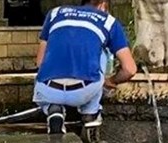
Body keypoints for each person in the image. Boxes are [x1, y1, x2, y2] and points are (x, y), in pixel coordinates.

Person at [34, 0, 137, 135]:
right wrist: (110, 81)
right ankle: (90, 114)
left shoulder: (55, 13)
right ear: (103, 5)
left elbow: (40, 62)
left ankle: (54, 110)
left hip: (48, 90)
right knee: (101, 54)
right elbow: (130, 69)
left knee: (47, 72)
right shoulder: (108, 21)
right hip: (84, 91)